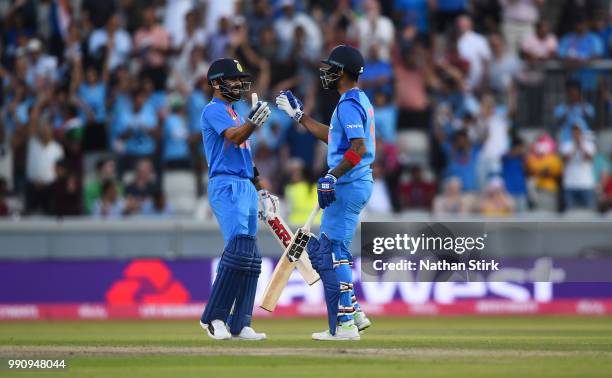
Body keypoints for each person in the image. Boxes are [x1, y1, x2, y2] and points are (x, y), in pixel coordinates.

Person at [276, 45, 374, 340]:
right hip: (354, 182)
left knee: (335, 251)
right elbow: (334, 137)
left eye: (332, 68)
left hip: (348, 184)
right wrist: (300, 117)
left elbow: (358, 148)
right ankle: (354, 312)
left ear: (343, 72)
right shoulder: (355, 99)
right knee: (334, 248)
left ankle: (345, 323)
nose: (327, 73)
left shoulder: (347, 104)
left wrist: (331, 175)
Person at [199, 58, 273, 341]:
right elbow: (233, 137)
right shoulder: (213, 111)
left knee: (251, 256)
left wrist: (262, 189)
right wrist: (253, 123)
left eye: (241, 80)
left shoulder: (235, 113)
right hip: (225, 184)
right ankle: (213, 318)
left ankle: (240, 323)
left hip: (244, 186)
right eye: (233, 80)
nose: (240, 84)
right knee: (239, 250)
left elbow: (245, 157)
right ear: (217, 83)